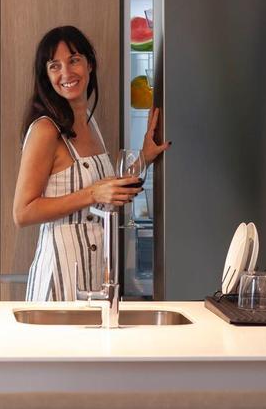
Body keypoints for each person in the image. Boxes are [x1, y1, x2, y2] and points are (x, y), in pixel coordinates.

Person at [13, 25, 170, 301]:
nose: (66, 73)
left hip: (94, 274)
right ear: (46, 76)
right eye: (54, 66)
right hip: (59, 278)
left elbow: (103, 190)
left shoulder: (88, 121)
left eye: (74, 60)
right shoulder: (45, 130)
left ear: (90, 64)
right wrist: (92, 194)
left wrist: (143, 157)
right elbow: (23, 212)